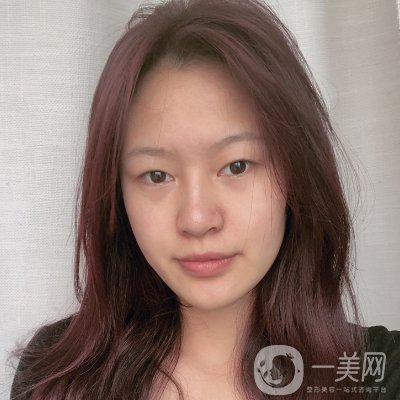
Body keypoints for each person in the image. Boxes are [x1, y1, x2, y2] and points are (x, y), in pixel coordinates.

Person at [9, 0, 400, 399]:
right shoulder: (58, 379)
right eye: (157, 175)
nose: (197, 219)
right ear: (117, 193)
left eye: (237, 166)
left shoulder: (379, 375)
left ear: (296, 173)